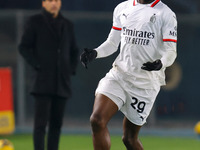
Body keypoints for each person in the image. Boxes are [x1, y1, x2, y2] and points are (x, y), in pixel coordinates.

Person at [80, 0, 177, 149]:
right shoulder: (122, 8)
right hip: (119, 75)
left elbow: (171, 51)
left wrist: (161, 63)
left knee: (129, 139)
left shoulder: (166, 14)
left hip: (145, 84)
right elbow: (112, 43)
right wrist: (96, 52)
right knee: (97, 120)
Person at [18, 0, 79, 150]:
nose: (54, 3)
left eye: (57, 0)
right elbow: (24, 47)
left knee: (56, 125)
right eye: (50, 0)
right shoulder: (35, 22)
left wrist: (70, 69)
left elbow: (74, 51)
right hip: (42, 81)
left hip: (62, 82)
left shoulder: (67, 24)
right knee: (40, 124)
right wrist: (38, 65)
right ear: (43, 3)